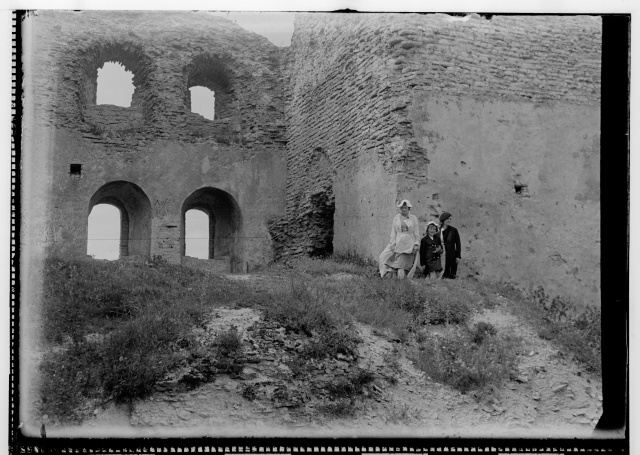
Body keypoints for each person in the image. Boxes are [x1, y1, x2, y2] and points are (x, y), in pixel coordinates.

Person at [378, 200, 420, 279]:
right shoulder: (396, 218)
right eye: (402, 208)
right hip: (398, 242)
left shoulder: (413, 218)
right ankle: (384, 275)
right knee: (383, 257)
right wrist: (392, 244)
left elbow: (416, 234)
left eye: (405, 208)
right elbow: (393, 233)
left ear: (409, 208)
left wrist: (416, 244)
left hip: (408, 244)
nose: (403, 209)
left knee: (401, 266)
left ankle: (401, 283)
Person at [439, 211, 461, 279]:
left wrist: (458, 256)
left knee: (451, 275)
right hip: (441, 255)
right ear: (443, 219)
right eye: (448, 219)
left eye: (450, 219)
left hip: (451, 255)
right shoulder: (438, 230)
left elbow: (458, 244)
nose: (449, 220)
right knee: (442, 274)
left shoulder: (454, 230)